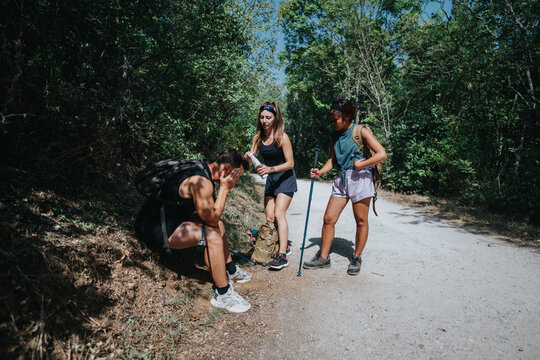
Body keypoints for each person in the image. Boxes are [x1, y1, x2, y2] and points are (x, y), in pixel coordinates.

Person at [134, 149, 253, 313]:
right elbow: (210, 219)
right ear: (226, 169)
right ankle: (223, 294)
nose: (237, 180)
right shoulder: (201, 182)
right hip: (155, 229)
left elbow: (211, 217)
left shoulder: (202, 168)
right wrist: (225, 189)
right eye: (236, 175)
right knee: (212, 235)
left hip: (164, 221)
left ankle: (230, 271)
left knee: (218, 226)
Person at [303, 99, 386, 275]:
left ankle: (356, 257)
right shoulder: (334, 136)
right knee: (328, 219)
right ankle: (323, 257)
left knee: (361, 221)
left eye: (336, 119)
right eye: (331, 120)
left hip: (361, 179)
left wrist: (361, 165)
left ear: (347, 117)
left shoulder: (360, 131)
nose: (332, 123)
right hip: (342, 179)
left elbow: (381, 153)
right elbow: (333, 160)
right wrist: (320, 172)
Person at [245, 101, 297, 270]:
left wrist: (271, 168)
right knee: (269, 217)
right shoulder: (258, 138)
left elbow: (290, 163)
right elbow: (252, 160)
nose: (264, 121)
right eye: (262, 117)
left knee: (279, 213)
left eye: (268, 117)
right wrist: (248, 157)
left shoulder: (282, 137)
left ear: (275, 118)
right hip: (272, 180)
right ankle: (280, 243)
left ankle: (282, 256)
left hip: (285, 178)